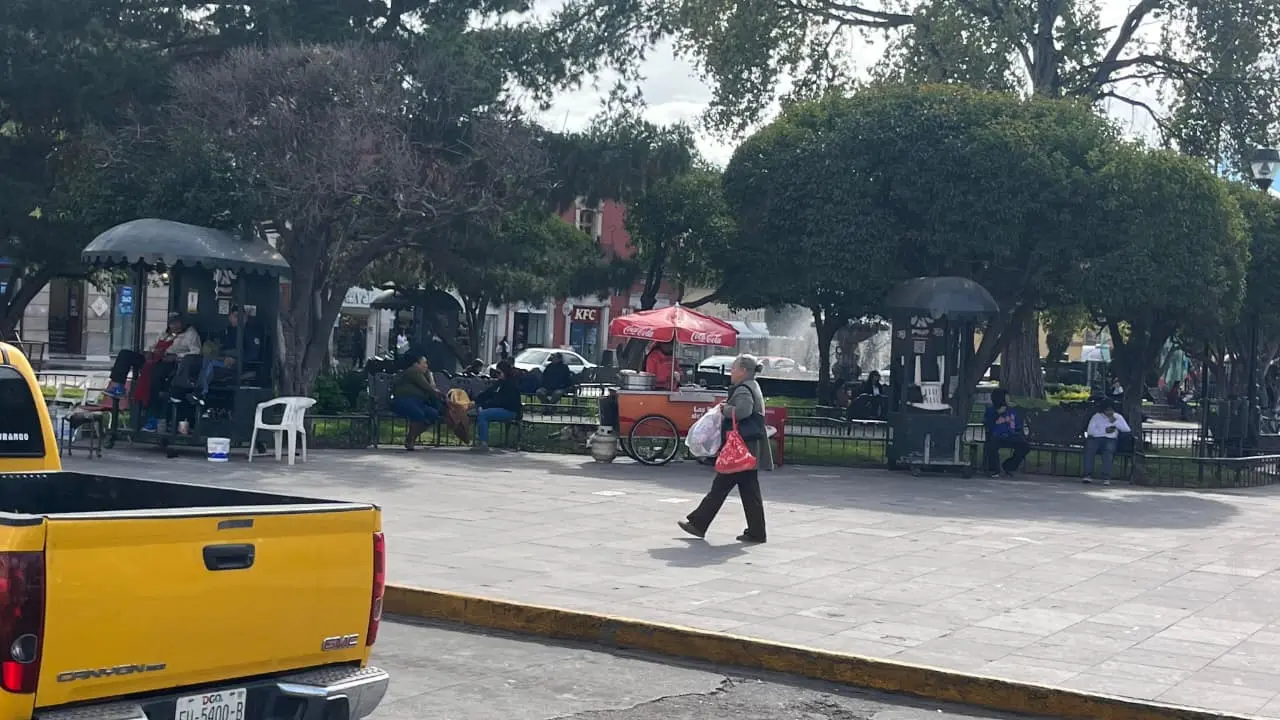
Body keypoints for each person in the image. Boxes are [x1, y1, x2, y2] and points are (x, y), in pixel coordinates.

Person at [678, 354, 774, 544]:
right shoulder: (752, 386)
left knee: (721, 486)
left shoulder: (744, 389)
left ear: (744, 371)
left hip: (740, 448)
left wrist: (725, 409)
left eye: (734, 368)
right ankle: (756, 532)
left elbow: (743, 411)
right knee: (748, 491)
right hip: (749, 447)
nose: (731, 372)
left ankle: (698, 524)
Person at [104, 312, 201, 399]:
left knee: (154, 375)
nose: (174, 326)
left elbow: (196, 352)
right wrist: (147, 352)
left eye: (176, 323)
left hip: (168, 362)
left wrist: (177, 356)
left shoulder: (191, 334)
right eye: (171, 323)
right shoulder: (165, 333)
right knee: (125, 354)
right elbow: (151, 345)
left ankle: (151, 406)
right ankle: (117, 386)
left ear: (182, 322)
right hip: (153, 357)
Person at [391, 356, 445, 450]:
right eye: (424, 363)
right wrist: (432, 380)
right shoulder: (413, 371)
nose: (426, 366)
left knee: (433, 414)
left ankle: (411, 438)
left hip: (418, 403)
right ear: (416, 364)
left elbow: (431, 389)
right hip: (404, 401)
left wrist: (430, 377)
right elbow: (428, 388)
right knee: (418, 414)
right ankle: (410, 441)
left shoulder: (423, 374)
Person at [472, 362, 522, 452]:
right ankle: (480, 440)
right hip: (502, 408)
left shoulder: (511, 384)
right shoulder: (500, 383)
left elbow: (501, 402)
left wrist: (484, 406)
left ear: (505, 372)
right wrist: (476, 401)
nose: (497, 375)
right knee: (481, 412)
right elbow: (488, 393)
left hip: (510, 410)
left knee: (484, 414)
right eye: (496, 373)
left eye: (499, 373)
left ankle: (483, 443)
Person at [983, 388, 1030, 478]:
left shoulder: (1012, 410)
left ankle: (1009, 466)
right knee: (991, 445)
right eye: (1006, 397)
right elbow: (988, 423)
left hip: (1011, 436)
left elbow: (1017, 424)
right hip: (997, 436)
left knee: (1024, 447)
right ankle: (994, 469)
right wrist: (997, 413)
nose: (1008, 399)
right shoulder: (991, 410)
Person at [1083, 400, 1131, 485]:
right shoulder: (1096, 417)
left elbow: (1126, 429)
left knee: (1108, 452)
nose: (1109, 412)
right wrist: (1104, 431)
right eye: (1107, 410)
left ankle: (1106, 477)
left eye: (1111, 410)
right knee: (1090, 450)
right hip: (1096, 439)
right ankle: (1088, 475)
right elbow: (1090, 431)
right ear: (1103, 410)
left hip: (1110, 439)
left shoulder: (1117, 417)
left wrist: (1115, 422)